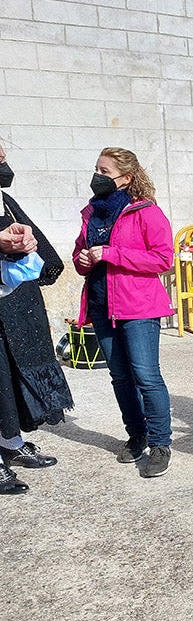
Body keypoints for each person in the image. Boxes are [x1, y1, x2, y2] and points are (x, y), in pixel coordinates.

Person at [72, 147, 175, 478]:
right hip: (102, 307)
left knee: (146, 376)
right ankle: (137, 435)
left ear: (126, 178)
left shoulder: (146, 212)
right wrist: (83, 260)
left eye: (105, 172)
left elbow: (163, 259)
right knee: (120, 377)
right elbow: (78, 254)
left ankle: (160, 444)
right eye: (97, 169)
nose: (97, 177)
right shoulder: (92, 213)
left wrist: (112, 254)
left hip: (139, 308)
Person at [0, 143, 73, 495]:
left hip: (16, 305)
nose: (4, 166)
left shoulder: (3, 200)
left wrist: (24, 240)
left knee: (12, 381)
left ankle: (10, 444)